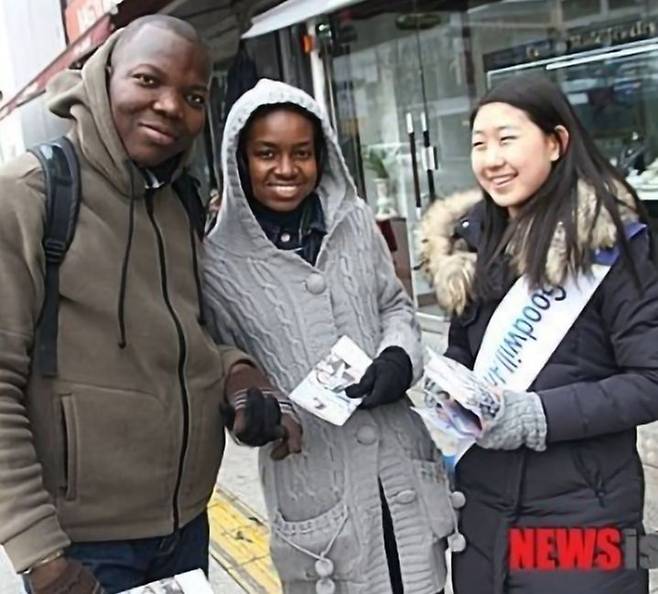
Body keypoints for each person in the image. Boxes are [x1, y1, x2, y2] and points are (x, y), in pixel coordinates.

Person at [0, 16, 290, 594]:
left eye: (192, 96)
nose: (168, 106)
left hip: (185, 529)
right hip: (83, 547)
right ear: (104, 80)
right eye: (147, 80)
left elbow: (189, 331)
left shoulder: (179, 203)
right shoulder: (29, 194)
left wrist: (234, 370)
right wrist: (40, 554)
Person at [203, 79, 462, 594]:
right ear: (239, 160)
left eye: (302, 153)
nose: (286, 168)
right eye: (266, 153)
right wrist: (253, 413)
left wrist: (396, 358)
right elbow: (221, 366)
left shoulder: (355, 221)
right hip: (315, 488)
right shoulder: (216, 262)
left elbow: (394, 306)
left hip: (402, 469)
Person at [420, 74, 658, 593]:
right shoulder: (471, 243)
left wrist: (537, 417)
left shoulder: (610, 242)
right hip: (483, 516)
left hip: (585, 519)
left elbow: (650, 381)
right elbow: (465, 352)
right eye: (479, 144)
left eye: (507, 139)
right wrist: (448, 390)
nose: (491, 159)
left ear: (556, 142)